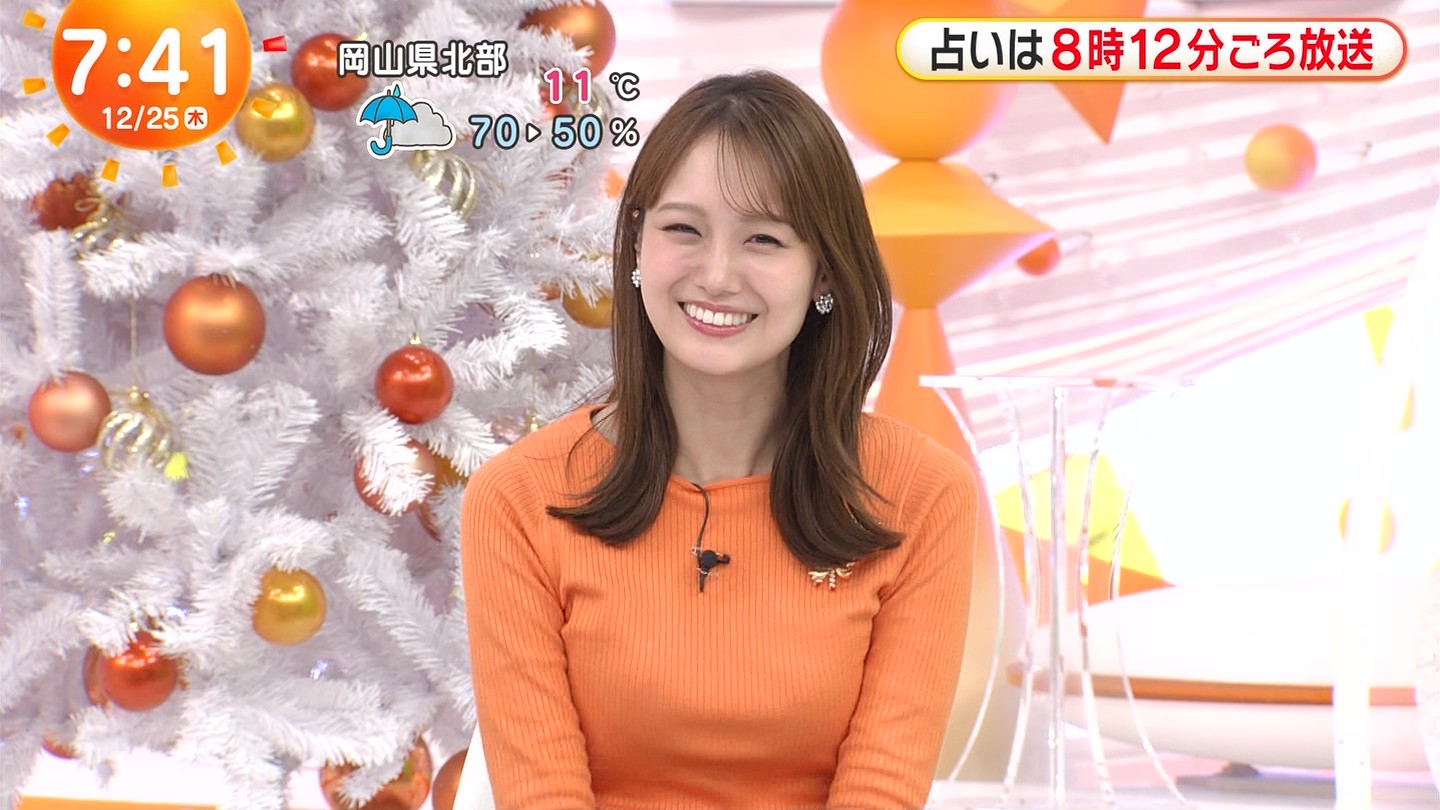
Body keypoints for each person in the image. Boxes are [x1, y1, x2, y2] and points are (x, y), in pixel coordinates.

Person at [461, 69, 979, 810]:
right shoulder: (518, 500)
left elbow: (881, 789)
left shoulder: (920, 494)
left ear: (823, 270)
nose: (716, 275)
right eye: (683, 230)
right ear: (636, 245)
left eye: (763, 239)